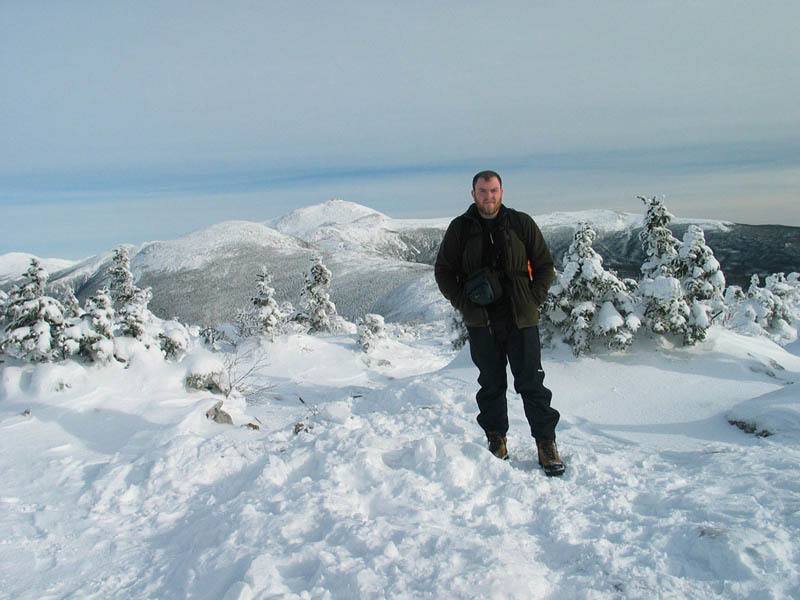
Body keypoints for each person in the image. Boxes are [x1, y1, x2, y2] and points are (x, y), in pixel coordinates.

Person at [434, 170, 565, 476]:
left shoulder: (520, 223)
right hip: (482, 322)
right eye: (482, 191)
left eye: (493, 190)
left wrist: (533, 298)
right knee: (491, 384)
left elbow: (545, 265)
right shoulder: (460, 228)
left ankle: (546, 443)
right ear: (473, 194)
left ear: (502, 192)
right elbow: (443, 271)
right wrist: (464, 303)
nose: (488, 196)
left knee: (531, 383)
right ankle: (497, 440)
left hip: (521, 319)